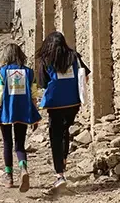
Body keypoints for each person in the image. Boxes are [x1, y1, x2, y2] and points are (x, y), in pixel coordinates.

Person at [36, 31, 91, 190]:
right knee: (65, 131)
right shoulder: (74, 56)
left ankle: (59, 174)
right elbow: (85, 75)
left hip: (55, 103)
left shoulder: (46, 60)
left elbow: (43, 83)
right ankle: (64, 160)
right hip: (73, 102)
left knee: (55, 135)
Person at [0, 43, 41, 192]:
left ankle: (8, 176)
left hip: (6, 112)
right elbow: (34, 96)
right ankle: (23, 168)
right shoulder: (29, 73)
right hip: (23, 112)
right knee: (20, 144)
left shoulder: (2, 73)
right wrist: (34, 114)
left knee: (7, 143)